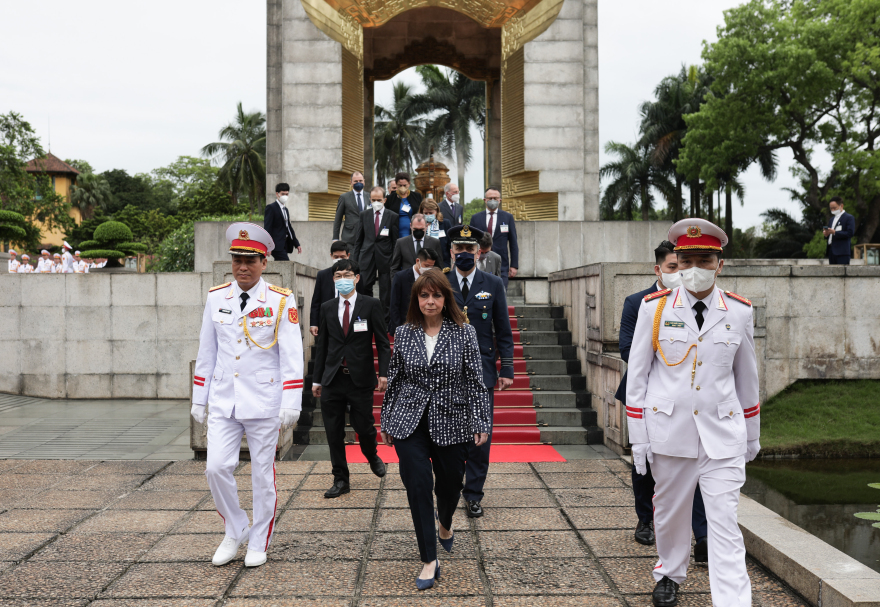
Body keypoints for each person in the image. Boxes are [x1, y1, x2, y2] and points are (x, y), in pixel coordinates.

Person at [626, 218, 760, 607]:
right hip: (670, 430)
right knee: (669, 513)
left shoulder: (738, 311)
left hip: (723, 432)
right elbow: (638, 376)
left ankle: (733, 600)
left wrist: (752, 436)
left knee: (724, 522)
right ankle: (669, 572)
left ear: (720, 263)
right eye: (686, 260)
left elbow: (747, 379)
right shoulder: (654, 309)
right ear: (677, 263)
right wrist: (639, 438)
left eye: (704, 259)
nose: (694, 268)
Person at [191, 222, 304, 568]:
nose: (242, 266)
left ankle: (258, 539)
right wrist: (199, 397)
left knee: (262, 476)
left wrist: (291, 401)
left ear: (264, 262)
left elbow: (292, 354)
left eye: (250, 260)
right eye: (237, 259)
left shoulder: (280, 301)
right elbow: (206, 351)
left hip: (264, 401)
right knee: (215, 468)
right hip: (225, 399)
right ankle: (235, 526)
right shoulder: (216, 297)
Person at [380, 270, 491, 591]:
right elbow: (395, 379)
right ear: (416, 299)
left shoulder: (464, 333)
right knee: (417, 483)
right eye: (424, 295)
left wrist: (481, 420)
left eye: (436, 295)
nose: (430, 301)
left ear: (446, 299)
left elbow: (475, 380)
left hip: (452, 419)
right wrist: (386, 419)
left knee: (449, 485)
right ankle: (429, 558)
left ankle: (445, 523)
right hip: (408, 419)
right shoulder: (404, 332)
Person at [615, 241, 708, 561]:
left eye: (681, 267)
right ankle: (646, 520)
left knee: (695, 463)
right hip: (646, 396)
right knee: (645, 463)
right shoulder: (638, 302)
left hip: (690, 398)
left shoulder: (698, 301)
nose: (679, 273)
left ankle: (703, 535)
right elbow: (628, 349)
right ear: (659, 270)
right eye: (673, 267)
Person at [445, 225, 514, 518]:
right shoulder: (439, 282)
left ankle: (473, 494)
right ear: (451, 252)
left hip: (482, 372)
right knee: (448, 435)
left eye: (469, 250)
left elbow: (503, 329)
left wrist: (507, 367)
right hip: (445, 372)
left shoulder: (493, 283)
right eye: (459, 250)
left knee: (480, 436)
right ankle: (449, 490)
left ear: (479, 252)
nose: (464, 254)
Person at [312, 258, 389, 498]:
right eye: (337, 276)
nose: (342, 280)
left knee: (364, 427)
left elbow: (383, 344)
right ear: (333, 280)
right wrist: (317, 380)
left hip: (360, 379)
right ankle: (340, 479)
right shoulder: (326, 307)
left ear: (356, 278)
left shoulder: (371, 305)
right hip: (333, 378)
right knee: (333, 432)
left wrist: (384, 373)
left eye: (347, 275)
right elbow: (322, 345)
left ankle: (371, 453)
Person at [354, 186, 399, 320]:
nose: (376, 202)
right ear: (370, 200)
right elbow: (358, 240)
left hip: (386, 258)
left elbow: (395, 241)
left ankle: (385, 320)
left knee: (385, 290)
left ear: (384, 200)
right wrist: (354, 262)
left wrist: (395, 261)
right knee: (365, 285)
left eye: (379, 199)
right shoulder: (364, 215)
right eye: (373, 200)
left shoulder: (392, 216)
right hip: (366, 256)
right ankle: (368, 315)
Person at [469, 188, 519, 288]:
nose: (493, 200)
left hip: (501, 263)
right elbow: (471, 242)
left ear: (499, 200)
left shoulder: (507, 217)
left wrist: (514, 265)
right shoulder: (476, 218)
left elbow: (513, 242)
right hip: (480, 262)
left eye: (495, 198)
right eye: (490, 198)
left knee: (501, 293)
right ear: (485, 200)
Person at [389, 247, 440, 336]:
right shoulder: (401, 277)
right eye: (427, 266)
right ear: (418, 261)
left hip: (427, 326)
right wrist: (398, 328)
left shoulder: (434, 278)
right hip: (406, 324)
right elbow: (394, 305)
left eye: (432, 266)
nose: (429, 269)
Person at [309, 241, 351, 337]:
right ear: (331, 256)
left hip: (348, 320)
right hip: (327, 322)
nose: (339, 260)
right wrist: (314, 323)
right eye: (336, 257)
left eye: (342, 257)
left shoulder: (356, 276)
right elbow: (316, 301)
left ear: (348, 256)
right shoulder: (322, 275)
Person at [264, 183, 301, 260]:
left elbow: (289, 228)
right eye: (283, 194)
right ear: (277, 194)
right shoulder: (271, 208)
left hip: (284, 245)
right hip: (275, 245)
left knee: (280, 266)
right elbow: (267, 228)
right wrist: (268, 246)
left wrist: (296, 244)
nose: (285, 196)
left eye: (287, 194)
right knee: (286, 264)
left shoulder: (285, 210)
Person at [332, 171, 367, 247]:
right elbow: (338, 219)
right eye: (355, 181)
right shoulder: (344, 197)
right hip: (349, 239)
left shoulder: (369, 197)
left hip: (366, 238)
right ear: (351, 182)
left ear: (364, 181)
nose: (358, 183)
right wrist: (335, 238)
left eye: (360, 181)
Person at [384, 173, 422, 238]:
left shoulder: (416, 196)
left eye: (405, 185)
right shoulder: (390, 198)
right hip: (395, 232)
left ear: (409, 184)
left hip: (413, 231)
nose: (402, 187)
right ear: (396, 184)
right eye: (400, 185)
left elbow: (421, 212)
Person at [419, 199, 453, 268]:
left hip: (443, 262)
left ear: (436, 211)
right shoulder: (418, 225)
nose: (428, 215)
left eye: (431, 213)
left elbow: (450, 244)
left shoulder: (445, 223)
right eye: (425, 213)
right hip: (423, 263)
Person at [824, 196, 855, 265]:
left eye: (834, 208)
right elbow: (830, 233)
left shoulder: (849, 218)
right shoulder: (831, 219)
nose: (833, 210)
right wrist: (827, 234)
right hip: (831, 251)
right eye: (831, 208)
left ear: (841, 206)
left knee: (842, 274)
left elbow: (850, 233)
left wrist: (835, 232)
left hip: (842, 252)